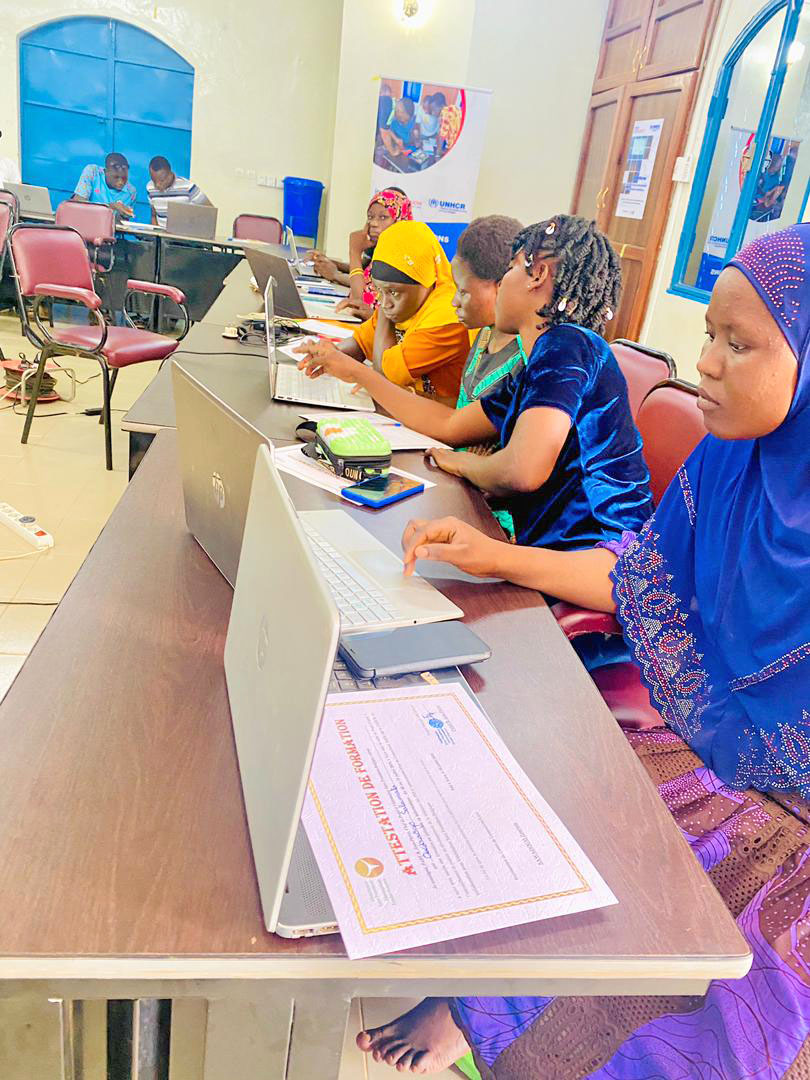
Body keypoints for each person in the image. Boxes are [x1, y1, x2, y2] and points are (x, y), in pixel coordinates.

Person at [358, 224, 810, 1078]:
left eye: (738, 343)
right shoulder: (730, 462)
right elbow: (639, 579)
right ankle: (477, 1000)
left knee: (741, 963)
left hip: (794, 807)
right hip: (717, 744)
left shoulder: (568, 353)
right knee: (538, 791)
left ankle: (503, 1015)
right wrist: (493, 556)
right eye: (709, 333)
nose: (705, 362)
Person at [297, 215, 653, 552]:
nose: (504, 281)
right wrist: (358, 373)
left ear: (538, 275)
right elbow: (450, 424)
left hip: (602, 553)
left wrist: (462, 464)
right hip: (555, 548)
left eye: (511, 268)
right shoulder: (537, 368)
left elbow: (521, 470)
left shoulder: (568, 345)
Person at [305, 219, 469, 403]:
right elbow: (361, 344)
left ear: (427, 281)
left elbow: (384, 375)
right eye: (378, 290)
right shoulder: (400, 303)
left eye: (394, 292)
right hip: (407, 405)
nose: (384, 302)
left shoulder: (448, 318)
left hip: (435, 414)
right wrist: (327, 355)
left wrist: (384, 310)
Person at [309, 188, 413, 319]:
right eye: (370, 217)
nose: (373, 223)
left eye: (383, 217)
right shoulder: (382, 251)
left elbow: (361, 302)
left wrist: (354, 251)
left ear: (400, 221)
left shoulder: (404, 256)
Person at [146, 156, 210, 228]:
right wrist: (155, 232)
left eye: (162, 180)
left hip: (184, 233)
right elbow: (153, 215)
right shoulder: (150, 188)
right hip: (161, 234)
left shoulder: (188, 187)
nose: (157, 185)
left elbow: (210, 212)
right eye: (154, 181)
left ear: (169, 173)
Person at [72, 152, 136, 219]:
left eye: (124, 178)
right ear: (106, 172)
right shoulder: (93, 172)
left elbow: (121, 221)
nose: (120, 182)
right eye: (116, 177)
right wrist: (110, 207)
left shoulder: (131, 192)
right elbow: (78, 206)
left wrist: (123, 215)